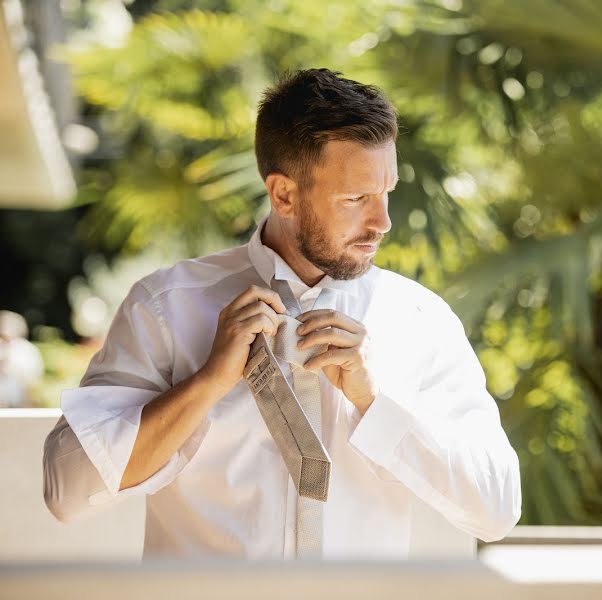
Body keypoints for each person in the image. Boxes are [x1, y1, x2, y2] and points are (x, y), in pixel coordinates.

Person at [43, 68, 522, 559]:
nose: (383, 222)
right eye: (356, 199)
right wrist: (207, 383)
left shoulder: (419, 319)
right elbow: (67, 491)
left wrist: (373, 401)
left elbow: (497, 507)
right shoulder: (166, 306)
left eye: (386, 193)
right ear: (284, 194)